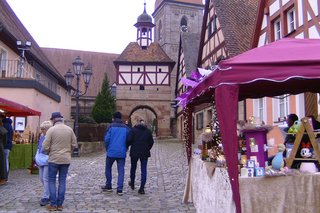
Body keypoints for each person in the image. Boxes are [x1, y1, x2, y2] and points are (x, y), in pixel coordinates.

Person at [42, 112, 77, 211]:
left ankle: (53, 205)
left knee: (52, 181)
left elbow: (45, 146)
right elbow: (74, 143)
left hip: (53, 158)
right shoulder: (69, 130)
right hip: (65, 159)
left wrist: (49, 152)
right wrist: (68, 151)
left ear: (53, 120)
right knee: (62, 181)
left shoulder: (51, 130)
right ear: (61, 119)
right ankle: (60, 204)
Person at [101, 111, 130, 196]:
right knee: (121, 170)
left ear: (113, 118)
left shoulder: (110, 126)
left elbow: (106, 139)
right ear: (121, 118)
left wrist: (107, 148)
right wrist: (126, 147)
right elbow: (129, 139)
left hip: (111, 152)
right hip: (121, 152)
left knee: (108, 168)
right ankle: (119, 189)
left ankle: (108, 185)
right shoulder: (126, 128)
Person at [127, 117, 154, 194]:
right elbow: (151, 142)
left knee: (133, 168)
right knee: (143, 170)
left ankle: (132, 183)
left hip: (134, 152)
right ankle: (142, 188)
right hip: (144, 152)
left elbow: (128, 140)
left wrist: (130, 145)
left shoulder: (133, 130)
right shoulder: (148, 131)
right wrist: (147, 148)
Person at [36, 120, 52, 206]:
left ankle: (46, 196)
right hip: (41, 158)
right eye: (41, 128)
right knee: (41, 178)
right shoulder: (42, 136)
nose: (41, 130)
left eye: (43, 129)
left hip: (47, 159)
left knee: (46, 178)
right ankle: (49, 193)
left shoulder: (50, 137)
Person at [0, 119, 8, 185]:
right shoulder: (3, 130)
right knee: (2, 163)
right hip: (1, 147)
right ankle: (2, 178)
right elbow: (5, 141)